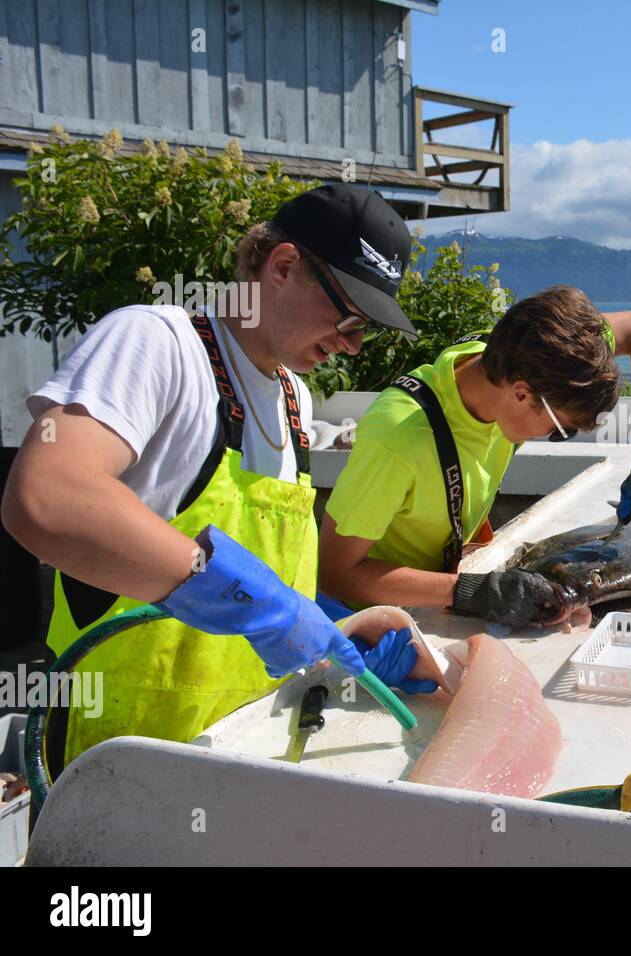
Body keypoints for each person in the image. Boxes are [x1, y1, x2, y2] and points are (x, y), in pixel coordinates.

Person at [1, 183, 421, 766]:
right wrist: (255, 603)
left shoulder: (295, 399)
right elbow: (48, 497)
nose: (351, 347)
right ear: (283, 266)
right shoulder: (156, 342)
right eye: (349, 318)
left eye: (366, 331)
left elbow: (271, 585)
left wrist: (330, 633)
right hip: (119, 755)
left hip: (246, 750)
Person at [317, 286, 631, 628]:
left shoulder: (517, 353)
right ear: (521, 394)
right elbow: (335, 574)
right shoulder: (399, 440)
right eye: (560, 429)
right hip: (378, 621)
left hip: (453, 581)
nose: (552, 438)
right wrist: (474, 591)